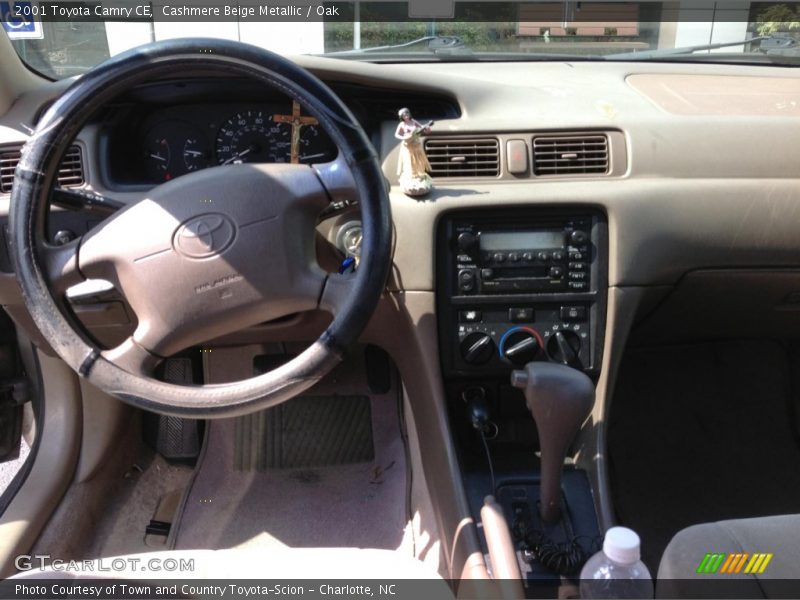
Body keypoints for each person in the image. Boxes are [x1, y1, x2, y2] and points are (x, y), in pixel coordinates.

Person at [395, 108, 434, 196]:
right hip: (408, 146)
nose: (406, 115)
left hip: (416, 146)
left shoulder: (413, 121)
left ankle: (418, 175)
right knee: (409, 161)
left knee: (418, 161)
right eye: (404, 115)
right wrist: (404, 137)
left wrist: (426, 129)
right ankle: (410, 176)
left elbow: (421, 128)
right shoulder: (402, 124)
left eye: (407, 113)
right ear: (401, 117)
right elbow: (396, 134)